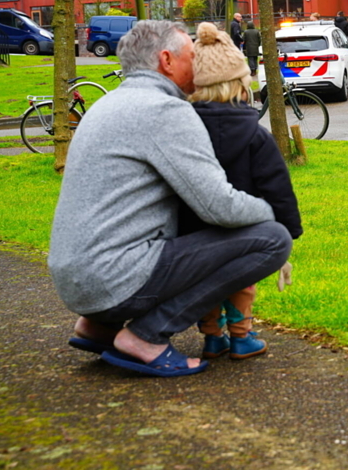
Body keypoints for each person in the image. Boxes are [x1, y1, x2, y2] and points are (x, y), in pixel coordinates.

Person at [49, 20, 292, 377]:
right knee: (272, 240)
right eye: (192, 56)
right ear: (166, 60)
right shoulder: (164, 111)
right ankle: (146, 337)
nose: (199, 64)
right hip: (114, 280)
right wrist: (270, 213)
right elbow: (219, 206)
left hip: (76, 280)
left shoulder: (108, 103)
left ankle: (99, 327)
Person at [181, 22, 302, 360]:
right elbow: (277, 185)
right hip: (243, 229)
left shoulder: (182, 131)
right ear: (241, 83)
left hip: (193, 230)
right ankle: (241, 336)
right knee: (239, 281)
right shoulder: (255, 135)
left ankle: (212, 337)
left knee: (205, 284)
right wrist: (288, 230)